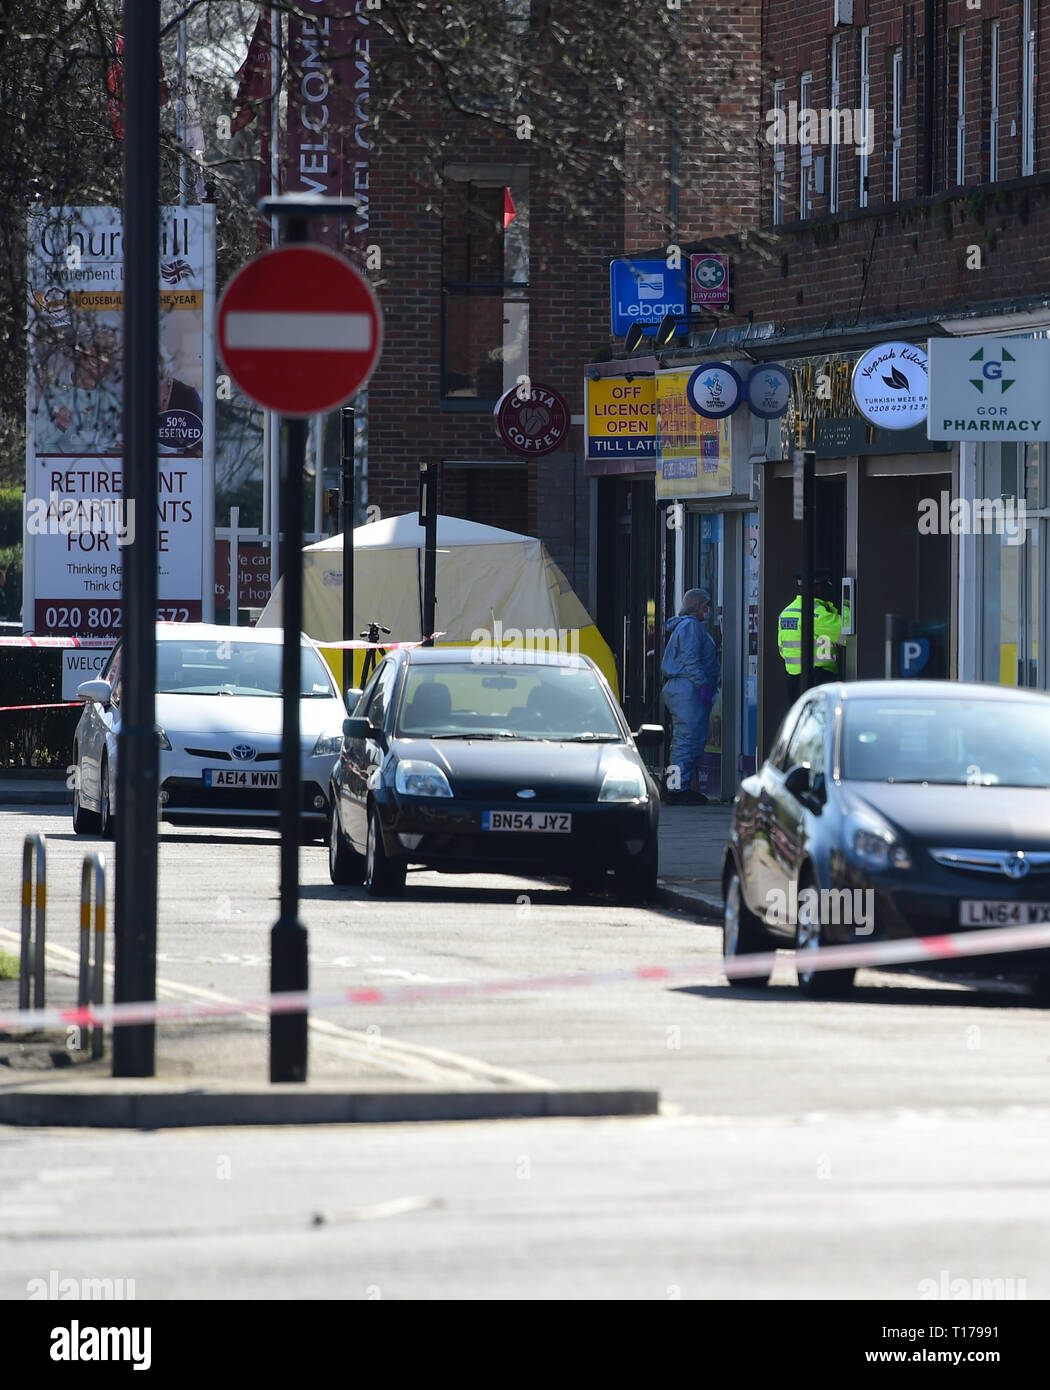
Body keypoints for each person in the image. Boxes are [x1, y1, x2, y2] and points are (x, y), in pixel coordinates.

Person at [661, 588, 721, 804]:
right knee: (685, 742)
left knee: (689, 741)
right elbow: (691, 659)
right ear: (697, 606)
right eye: (706, 605)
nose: (708, 610)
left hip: (686, 689)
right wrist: (703, 685)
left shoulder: (687, 627)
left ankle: (679, 786)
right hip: (687, 690)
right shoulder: (691, 627)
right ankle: (677, 789)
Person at [777, 569, 849, 704]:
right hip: (818, 680)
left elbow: (782, 650)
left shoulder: (787, 612)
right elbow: (848, 636)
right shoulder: (817, 614)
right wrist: (847, 606)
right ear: (817, 587)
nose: (827, 591)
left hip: (793, 681)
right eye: (825, 586)